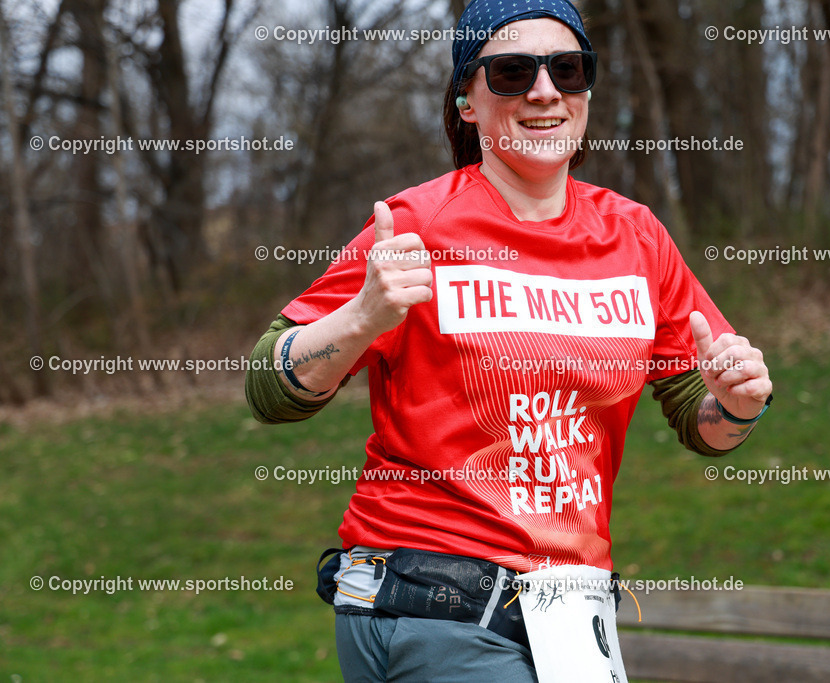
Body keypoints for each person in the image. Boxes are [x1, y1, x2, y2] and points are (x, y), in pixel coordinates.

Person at [245, 0, 772, 680]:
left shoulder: (636, 236)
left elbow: (701, 417)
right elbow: (268, 386)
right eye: (513, 72)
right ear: (467, 101)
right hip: (433, 604)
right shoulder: (419, 223)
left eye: (567, 69)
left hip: (566, 618)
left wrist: (735, 405)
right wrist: (361, 318)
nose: (545, 91)